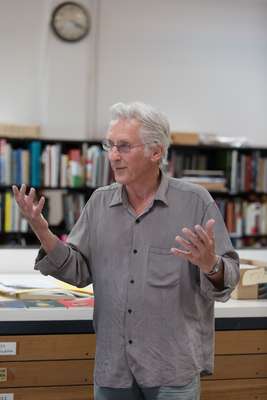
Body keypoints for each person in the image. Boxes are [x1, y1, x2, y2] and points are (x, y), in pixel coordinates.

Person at [13, 101, 239, 400]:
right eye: (110, 145)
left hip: (171, 368)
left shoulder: (195, 202)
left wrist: (210, 264)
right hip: (114, 368)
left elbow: (229, 278)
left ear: (155, 152)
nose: (113, 156)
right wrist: (42, 230)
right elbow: (78, 271)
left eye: (124, 146)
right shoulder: (99, 203)